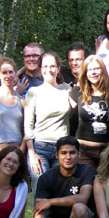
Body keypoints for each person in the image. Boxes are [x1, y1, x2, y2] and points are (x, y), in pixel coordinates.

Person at [33, 136, 97, 218]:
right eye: (63, 153)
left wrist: (51, 201)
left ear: (79, 155)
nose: (68, 157)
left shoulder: (87, 171)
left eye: (72, 153)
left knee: (79, 207)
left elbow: (83, 198)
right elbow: (39, 209)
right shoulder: (46, 177)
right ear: (56, 155)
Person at [24, 52, 72, 191]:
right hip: (40, 149)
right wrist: (31, 153)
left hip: (62, 148)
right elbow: (28, 124)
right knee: (41, 192)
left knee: (60, 192)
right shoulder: (34, 92)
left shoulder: (67, 89)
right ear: (40, 69)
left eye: (52, 66)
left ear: (58, 69)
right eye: (45, 66)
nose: (49, 70)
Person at [69, 55, 109, 168]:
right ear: (85, 73)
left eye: (96, 69)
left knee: (104, 184)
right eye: (90, 69)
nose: (93, 72)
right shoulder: (77, 92)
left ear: (103, 70)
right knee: (85, 185)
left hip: (106, 151)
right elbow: (65, 115)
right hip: (83, 151)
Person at [60, 42, 89, 136]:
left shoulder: (92, 78)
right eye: (71, 60)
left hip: (86, 132)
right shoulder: (62, 73)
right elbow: (41, 66)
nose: (74, 63)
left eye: (78, 59)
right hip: (66, 131)